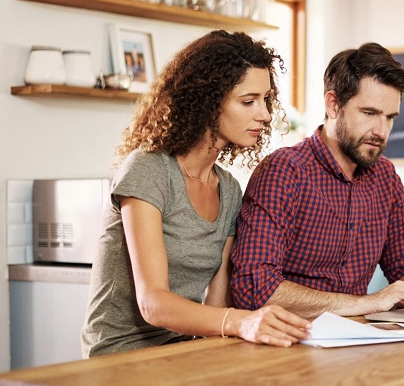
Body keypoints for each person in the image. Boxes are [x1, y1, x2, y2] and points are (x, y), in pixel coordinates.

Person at [82, 30, 311, 358]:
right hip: (119, 358)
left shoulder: (229, 190)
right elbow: (153, 303)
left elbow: (216, 310)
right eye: (248, 101)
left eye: (265, 100)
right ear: (208, 101)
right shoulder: (149, 170)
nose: (264, 114)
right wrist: (242, 322)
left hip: (181, 354)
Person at [230, 42, 404, 319]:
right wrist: (366, 302)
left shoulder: (385, 177)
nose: (382, 131)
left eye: (390, 117)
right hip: (288, 339)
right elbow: (253, 287)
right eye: (369, 114)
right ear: (334, 105)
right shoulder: (284, 172)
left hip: (355, 339)